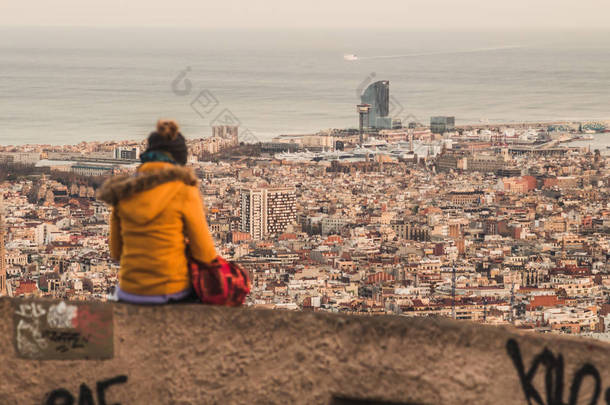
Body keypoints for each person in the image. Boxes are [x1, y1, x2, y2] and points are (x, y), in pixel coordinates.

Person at [97, 119, 217, 304]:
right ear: (179, 161)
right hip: (171, 289)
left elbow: (116, 251)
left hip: (129, 291)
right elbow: (205, 254)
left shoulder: (122, 191)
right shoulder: (184, 191)